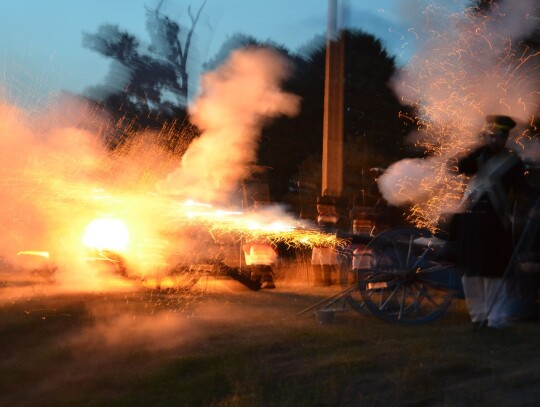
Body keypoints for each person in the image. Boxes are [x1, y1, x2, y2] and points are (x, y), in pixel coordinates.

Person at [455, 114, 529, 329]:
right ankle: (478, 316)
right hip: (472, 222)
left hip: (496, 223)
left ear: (505, 139)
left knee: (494, 274)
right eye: (490, 136)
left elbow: (521, 190)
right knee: (471, 273)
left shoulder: (512, 162)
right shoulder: (478, 156)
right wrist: (477, 149)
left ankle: (495, 319)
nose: (494, 141)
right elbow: (461, 167)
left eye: (498, 137)